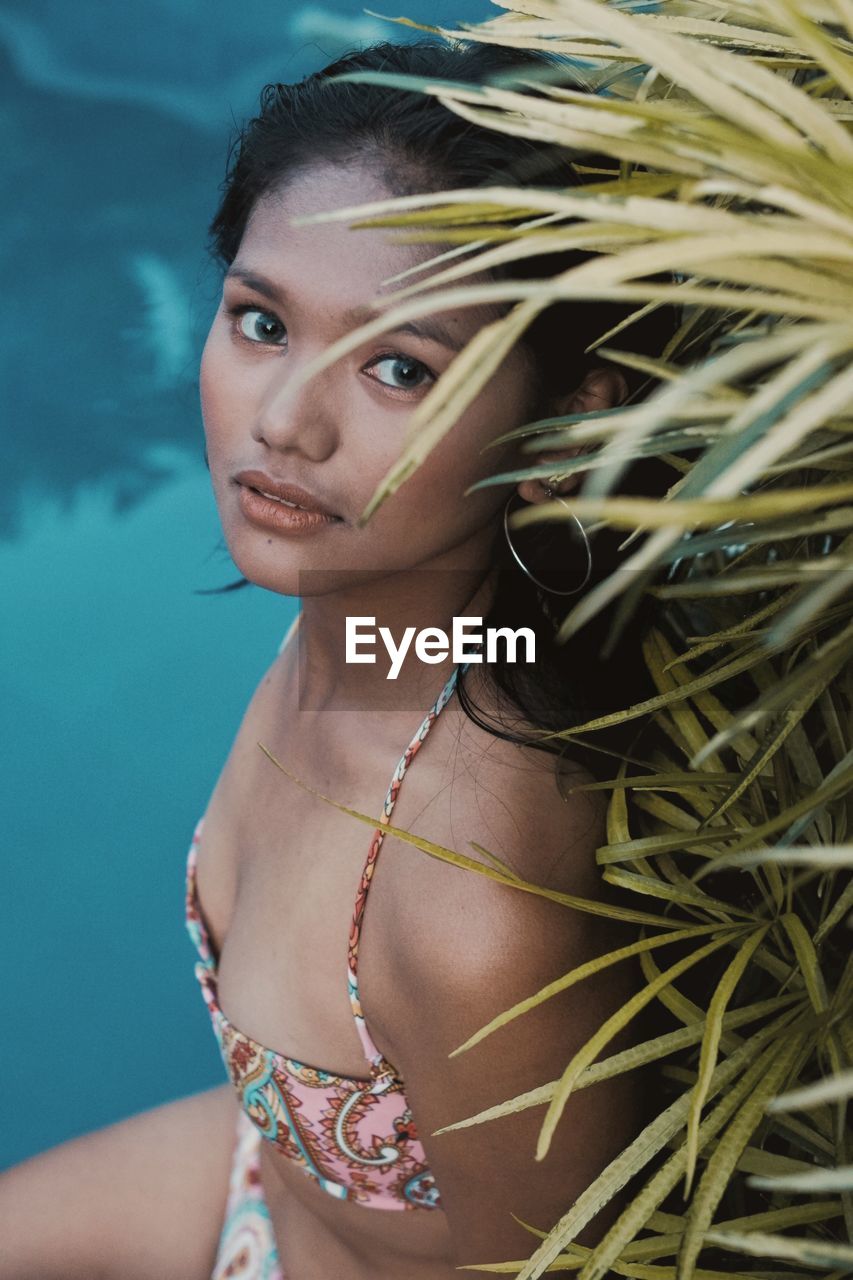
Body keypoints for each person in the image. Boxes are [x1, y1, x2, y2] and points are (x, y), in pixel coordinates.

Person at [0, 38, 676, 1280]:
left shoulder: (465, 895)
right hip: (260, 1186)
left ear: (566, 420)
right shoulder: (369, 614)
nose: (282, 422)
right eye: (261, 320)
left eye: (398, 367)